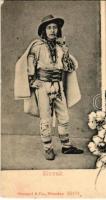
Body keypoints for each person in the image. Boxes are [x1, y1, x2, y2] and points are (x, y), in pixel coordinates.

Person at [14, 15, 83, 160]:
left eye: (55, 27)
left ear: (58, 30)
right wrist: (32, 81)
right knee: (45, 117)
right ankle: (48, 148)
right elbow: (28, 65)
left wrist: (65, 52)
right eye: (49, 27)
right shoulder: (37, 46)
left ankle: (66, 146)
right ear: (44, 31)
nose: (52, 30)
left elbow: (69, 67)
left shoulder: (60, 48)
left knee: (63, 116)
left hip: (58, 86)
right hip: (43, 86)